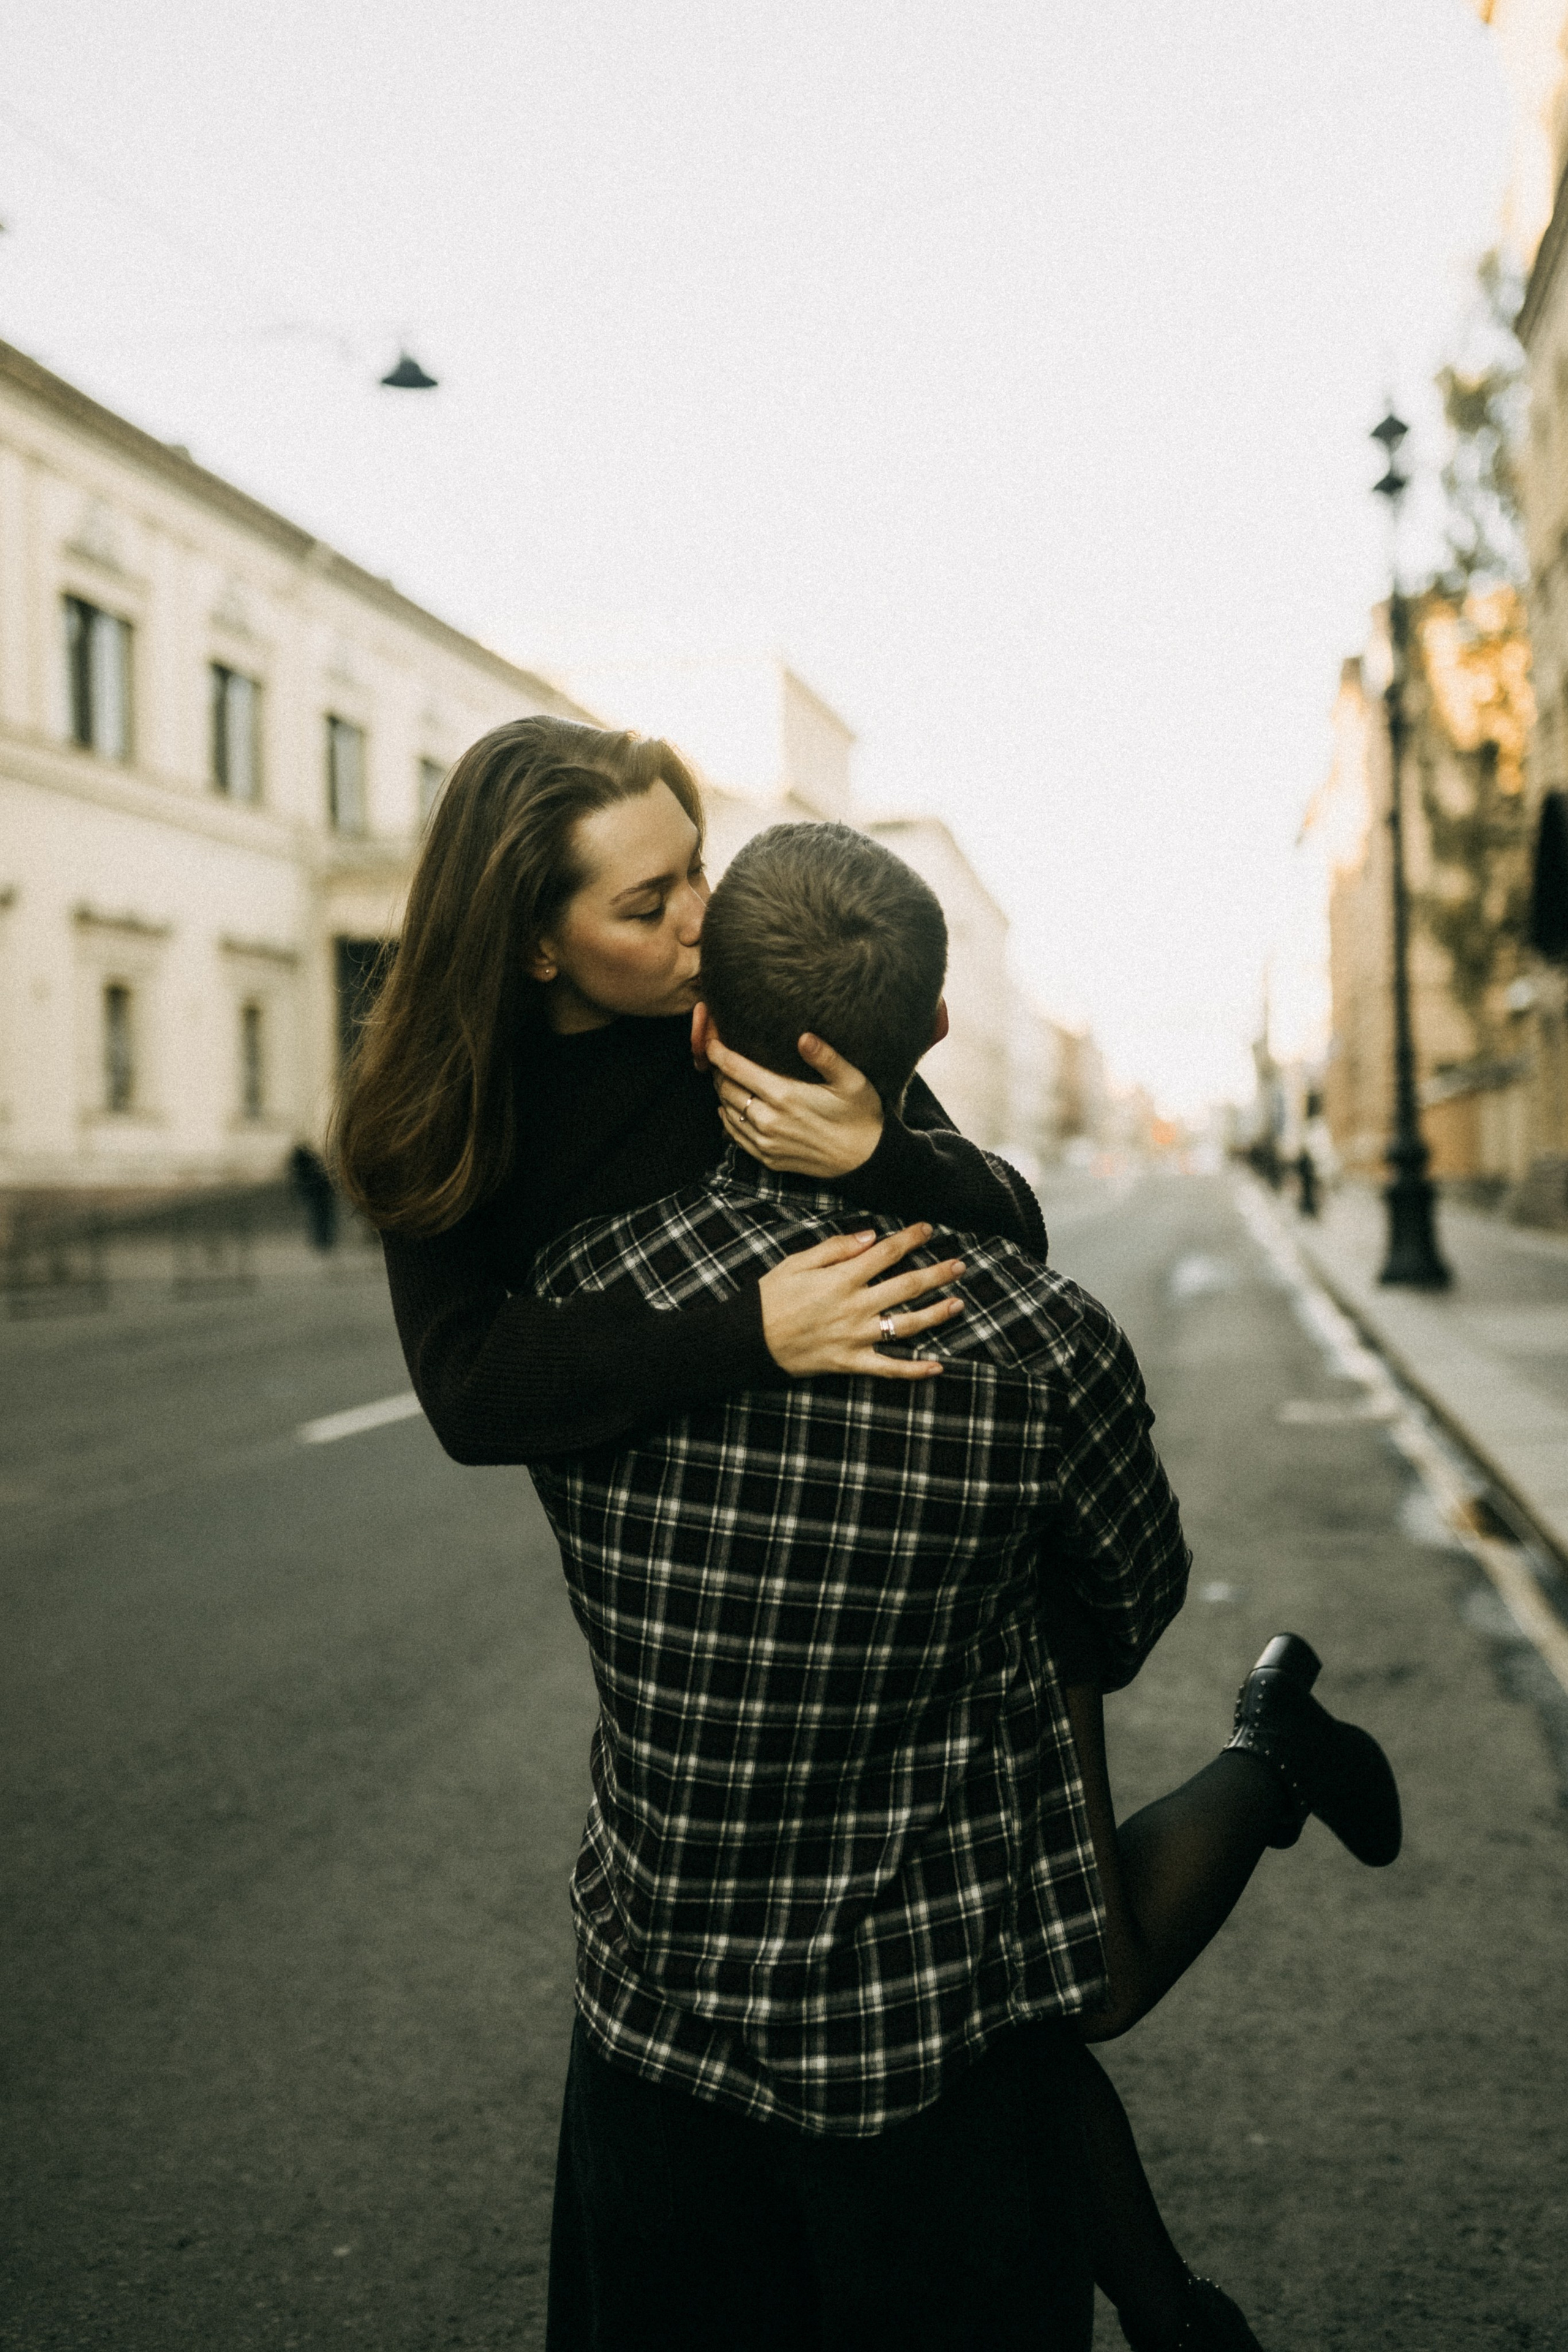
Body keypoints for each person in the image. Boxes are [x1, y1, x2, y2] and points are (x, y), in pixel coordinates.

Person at [526, 821, 1401, 2352]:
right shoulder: (1042, 1336)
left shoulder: (580, 1297)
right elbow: (1131, 1600)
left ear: (702, 1027)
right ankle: (1267, 1764)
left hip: (656, 1998)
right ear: (934, 1029)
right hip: (933, 2002)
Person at [334, 715, 1044, 1466]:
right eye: (648, 908)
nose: (703, 919)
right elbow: (465, 1393)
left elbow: (1019, 1230)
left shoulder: (756, 1006)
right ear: (535, 944)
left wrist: (877, 1151)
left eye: (696, 870)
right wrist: (750, 1333)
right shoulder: (441, 1107)